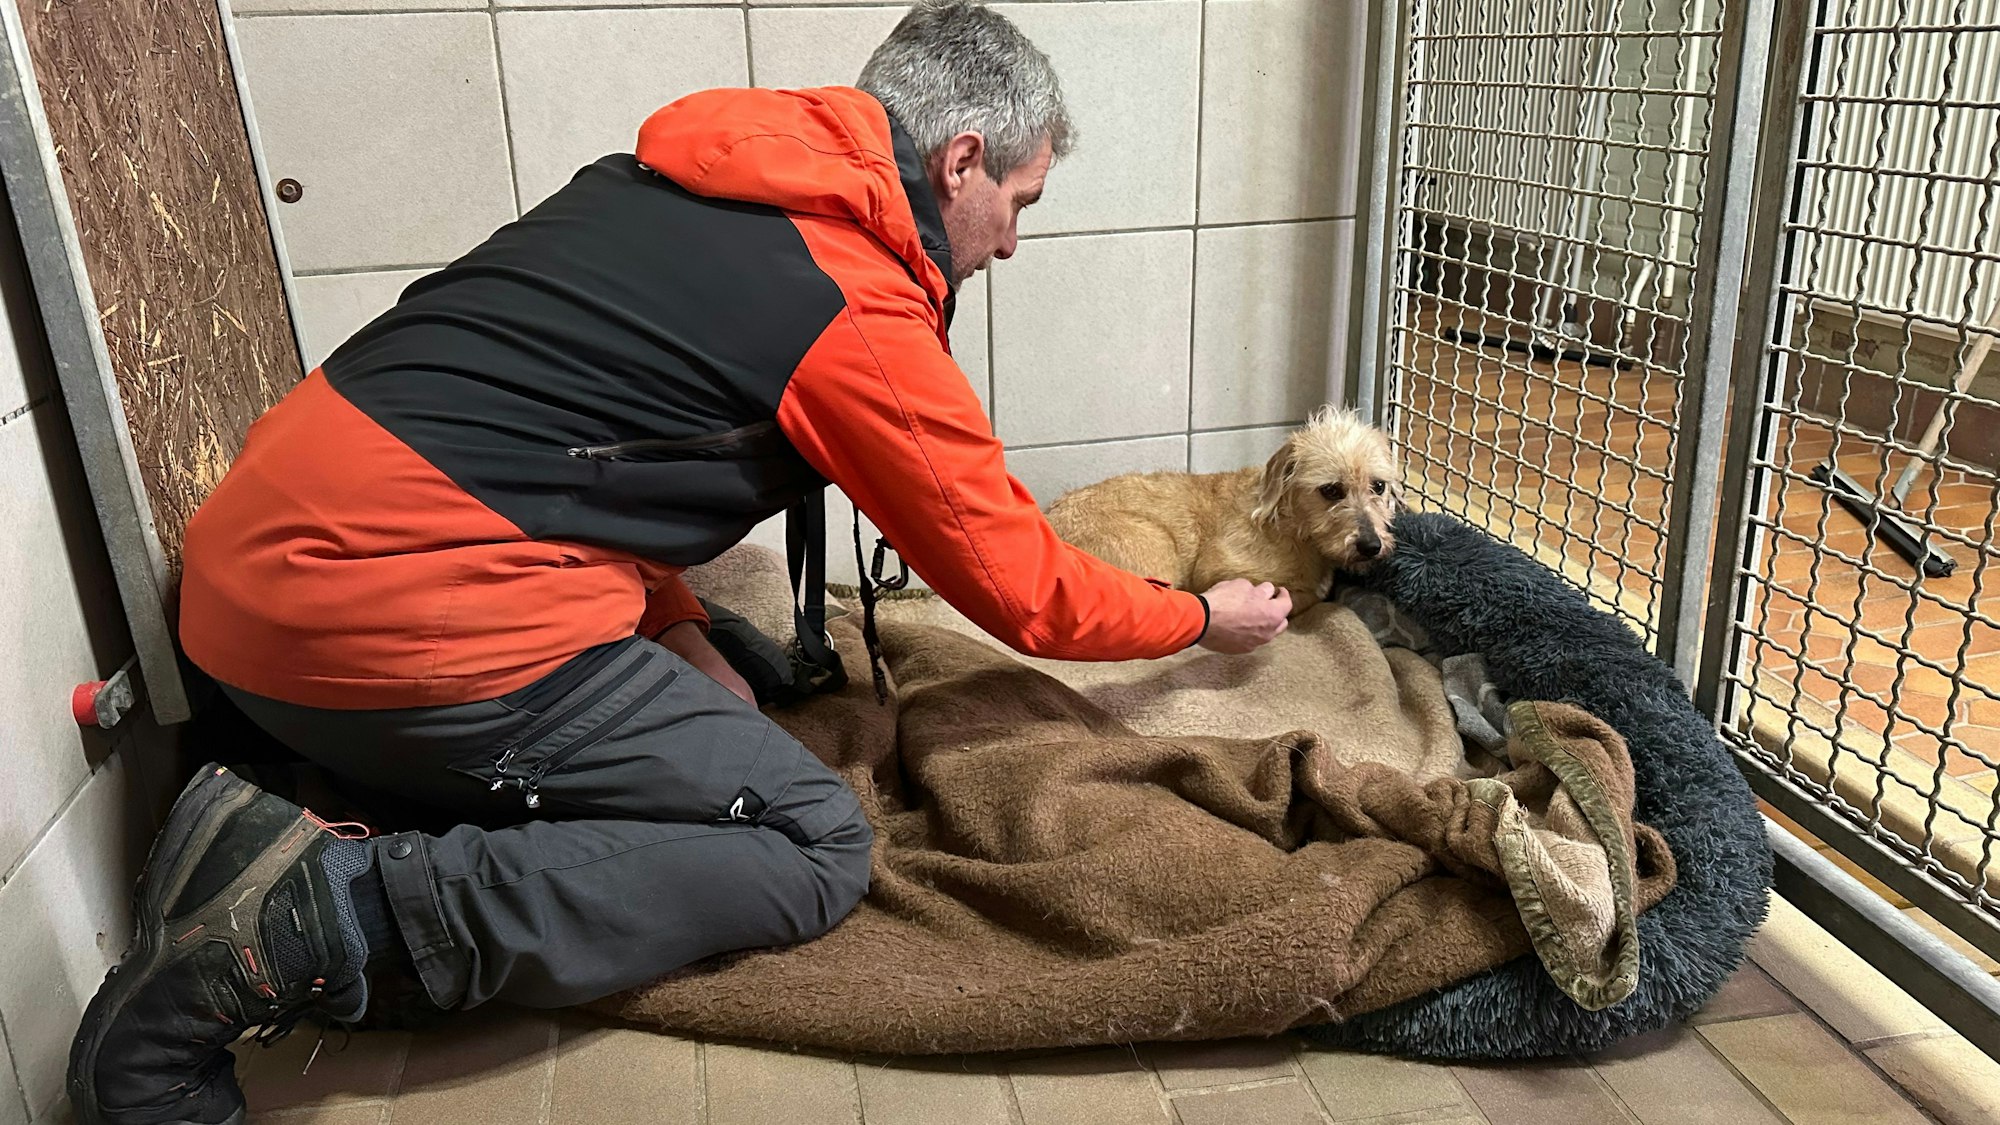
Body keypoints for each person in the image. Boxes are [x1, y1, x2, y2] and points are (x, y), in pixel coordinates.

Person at [65, 3, 1292, 1122]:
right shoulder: (851, 302)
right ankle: (290, 930)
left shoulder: (675, 179)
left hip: (243, 588)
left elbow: (567, 457)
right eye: (1020, 202)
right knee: (811, 843)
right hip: (371, 618)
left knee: (733, 666)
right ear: (958, 160)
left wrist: (678, 629)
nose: (1011, 243)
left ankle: (271, 802)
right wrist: (1195, 616)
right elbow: (1023, 587)